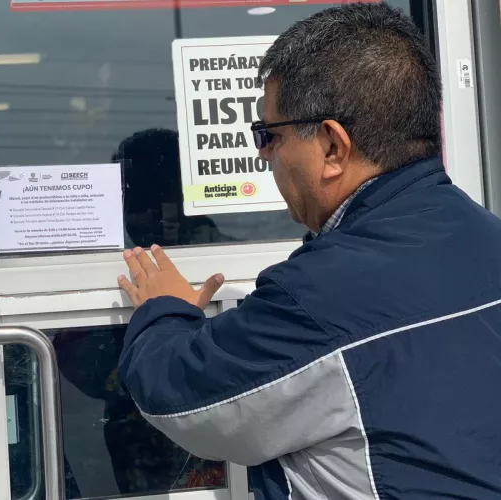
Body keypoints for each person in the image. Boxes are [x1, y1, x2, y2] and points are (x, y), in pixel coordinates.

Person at [115, 4, 501, 499]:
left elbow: (181, 398)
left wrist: (163, 312)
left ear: (333, 147)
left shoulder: (323, 295)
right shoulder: (485, 234)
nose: (262, 154)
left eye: (268, 135)